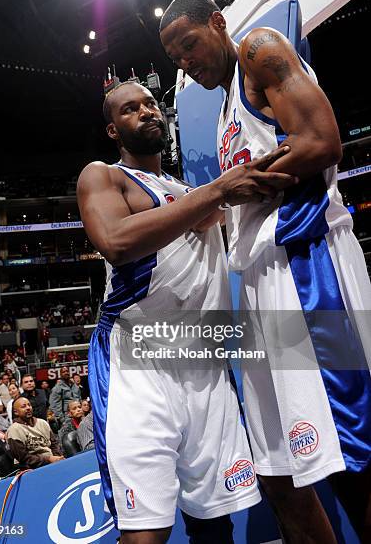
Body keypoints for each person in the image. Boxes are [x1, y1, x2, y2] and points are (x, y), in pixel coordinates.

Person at [160, 0, 371, 543]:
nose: (186, 61)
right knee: (279, 472)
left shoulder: (259, 50)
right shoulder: (226, 107)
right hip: (257, 278)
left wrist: (236, 185)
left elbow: (323, 142)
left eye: (189, 44)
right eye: (175, 57)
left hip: (307, 263)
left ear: (217, 23)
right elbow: (242, 187)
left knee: (352, 452)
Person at [77, 80, 295, 543]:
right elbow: (116, 242)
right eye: (131, 109)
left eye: (152, 104)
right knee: (144, 533)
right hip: (139, 366)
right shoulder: (104, 176)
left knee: (216, 525)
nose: (147, 112)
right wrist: (216, 192)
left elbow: (236, 199)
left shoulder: (188, 192)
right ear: (113, 130)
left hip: (205, 369)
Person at [6, 397, 64, 469]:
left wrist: (58, 458)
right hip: (31, 468)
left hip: (53, 462)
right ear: (16, 412)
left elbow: (54, 445)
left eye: (29, 405)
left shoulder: (43, 423)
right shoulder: (14, 430)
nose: (28, 408)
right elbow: (23, 458)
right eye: (23, 406)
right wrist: (48, 459)